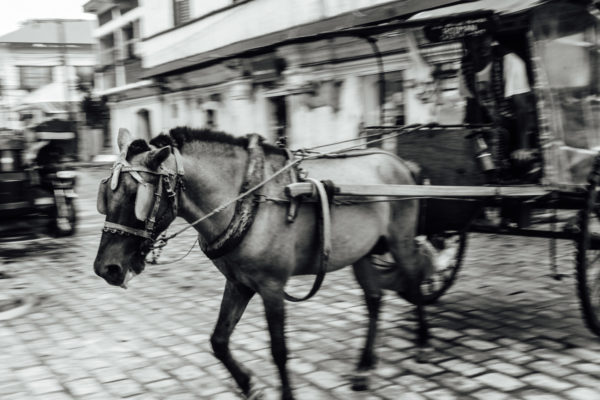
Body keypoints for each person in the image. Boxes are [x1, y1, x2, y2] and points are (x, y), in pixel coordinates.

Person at [459, 34, 539, 182]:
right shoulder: (465, 68)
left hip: (521, 130)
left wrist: (523, 147)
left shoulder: (510, 62)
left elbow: (523, 109)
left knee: (523, 170)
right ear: (467, 43)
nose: (482, 43)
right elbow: (471, 108)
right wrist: (476, 142)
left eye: (485, 37)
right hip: (494, 132)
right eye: (475, 39)